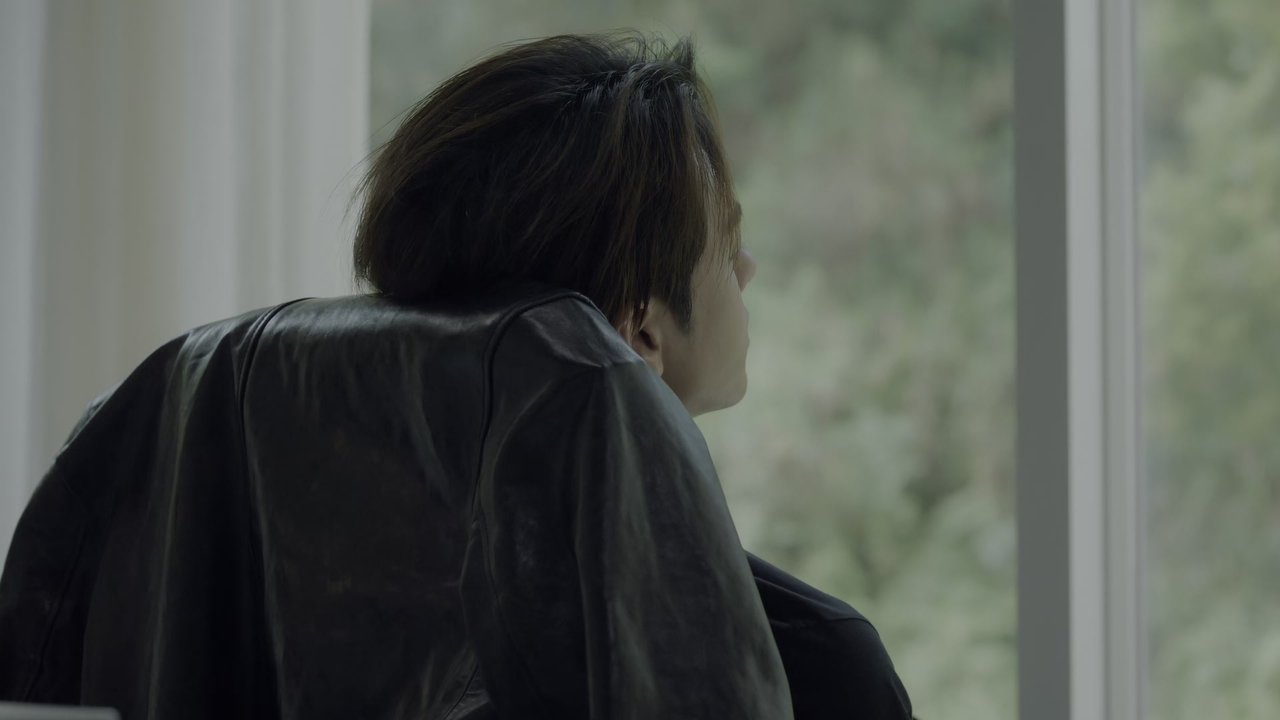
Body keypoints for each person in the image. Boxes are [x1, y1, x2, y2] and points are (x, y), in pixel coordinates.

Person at [0, 31, 913, 719]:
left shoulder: (218, 560)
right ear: (637, 327)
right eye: (726, 242)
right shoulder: (814, 667)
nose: (747, 269)